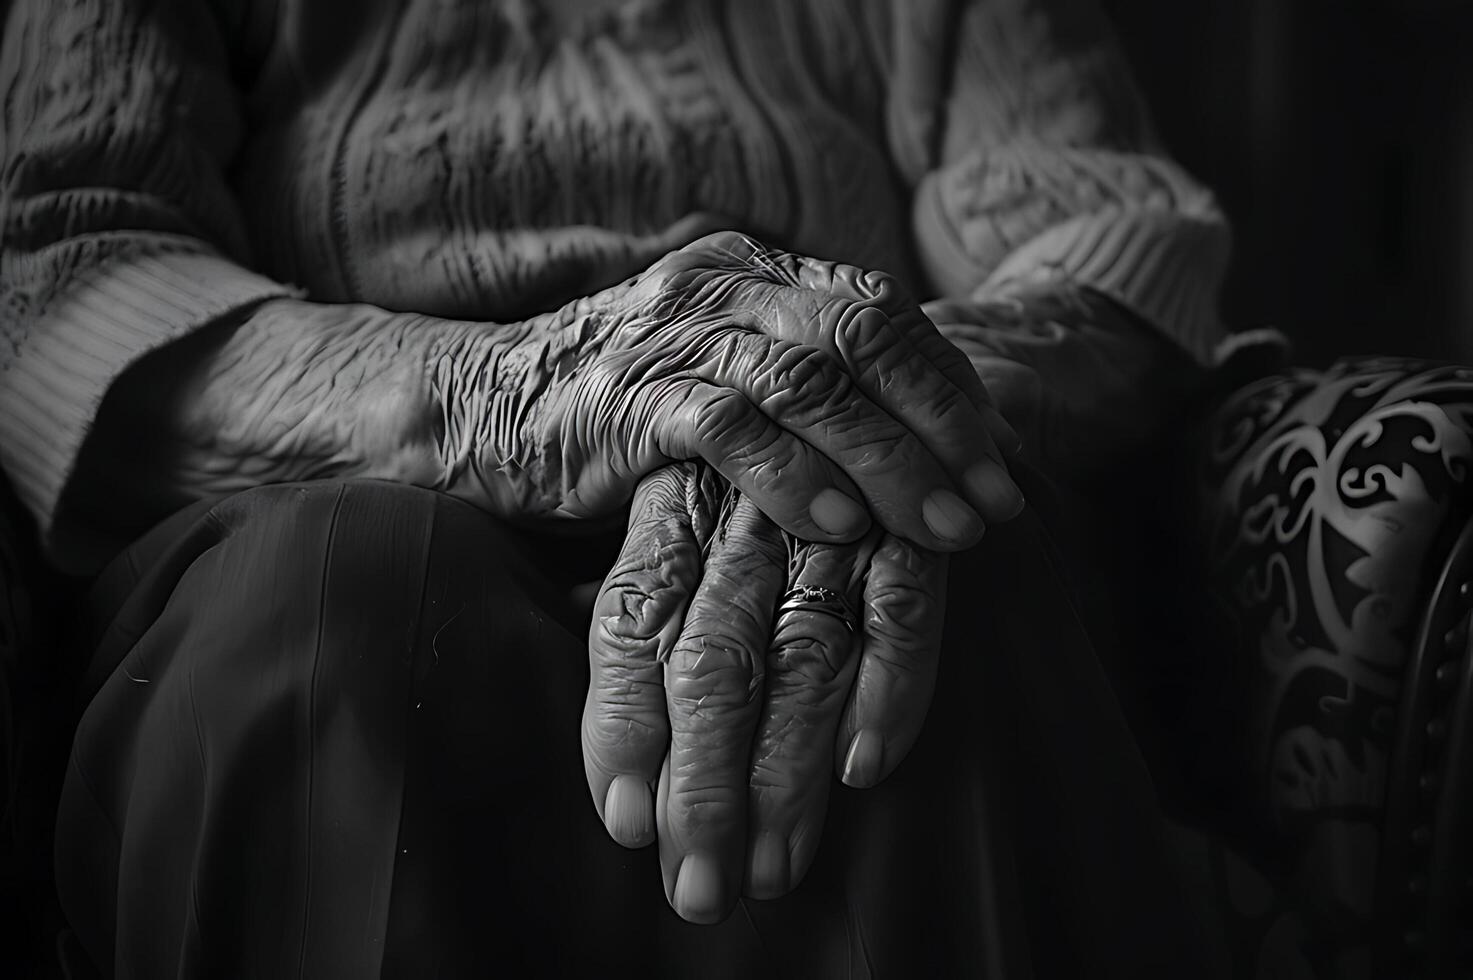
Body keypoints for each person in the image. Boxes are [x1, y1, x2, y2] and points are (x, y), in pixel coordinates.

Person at [0, 0, 1231, 975]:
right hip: (341, 478)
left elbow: (1114, 248)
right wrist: (513, 394)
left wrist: (814, 414)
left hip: (811, 479)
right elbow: (64, 280)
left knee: (931, 563)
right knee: (341, 599)